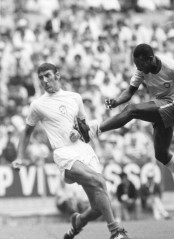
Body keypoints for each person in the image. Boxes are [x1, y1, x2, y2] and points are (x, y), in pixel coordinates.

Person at [11, 63, 131, 239]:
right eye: (41, 77)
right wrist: (19, 157)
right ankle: (115, 231)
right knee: (97, 180)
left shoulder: (75, 97)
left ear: (57, 75)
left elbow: (84, 129)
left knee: (99, 205)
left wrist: (79, 132)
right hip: (63, 152)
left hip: (83, 150)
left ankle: (78, 222)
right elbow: (26, 132)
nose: (44, 80)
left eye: (47, 75)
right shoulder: (37, 105)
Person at [88, 43, 174, 208]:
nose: (139, 68)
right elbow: (130, 92)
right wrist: (117, 101)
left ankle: (96, 129)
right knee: (161, 154)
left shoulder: (173, 67)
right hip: (161, 108)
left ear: (151, 59)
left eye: (141, 64)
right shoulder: (141, 70)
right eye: (136, 65)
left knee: (132, 111)